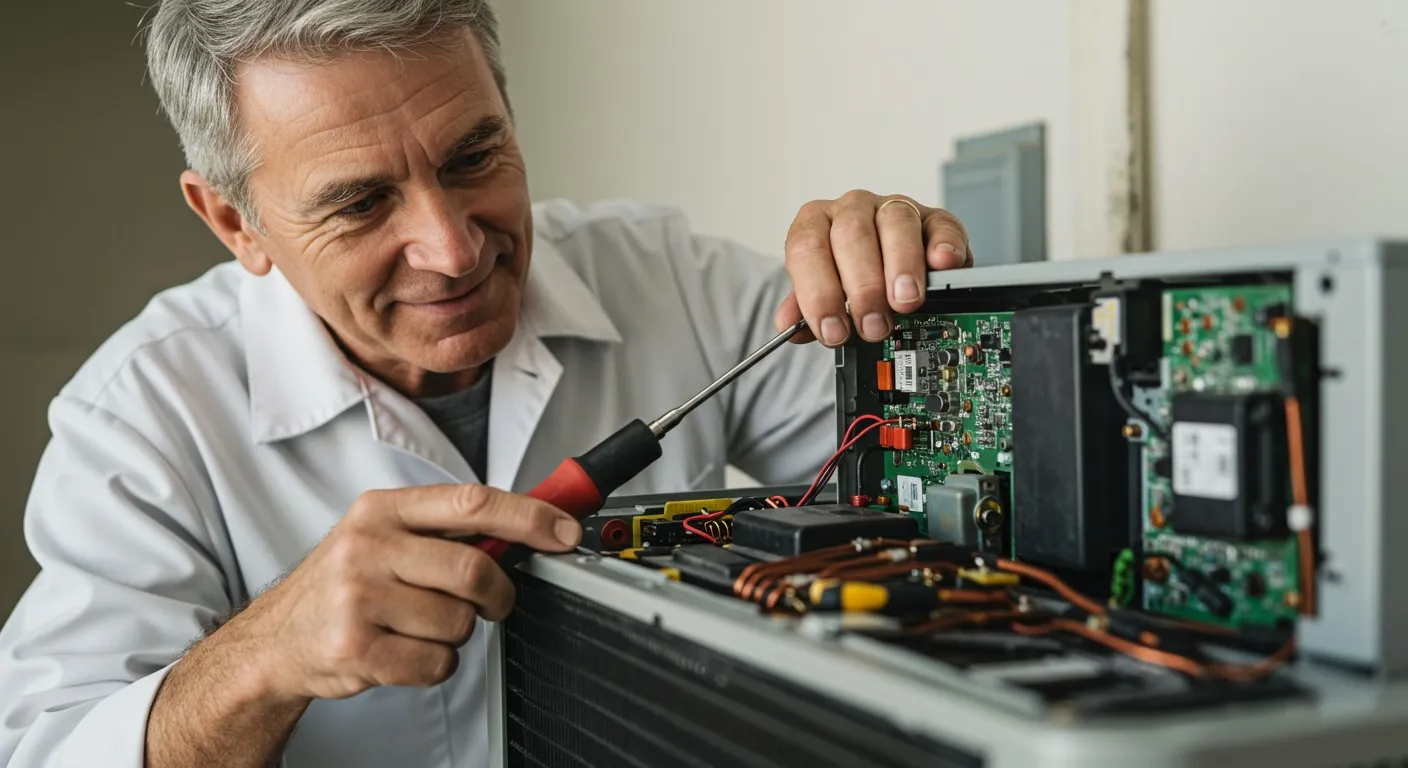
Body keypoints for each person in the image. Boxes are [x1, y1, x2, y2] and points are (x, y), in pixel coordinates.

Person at [0, 1, 973, 766]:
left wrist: (918, 304)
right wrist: (262, 660)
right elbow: (53, 749)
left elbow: (936, 487)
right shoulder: (138, 419)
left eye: (474, 156)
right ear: (232, 222)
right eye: (360, 202)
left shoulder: (671, 280)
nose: (454, 247)